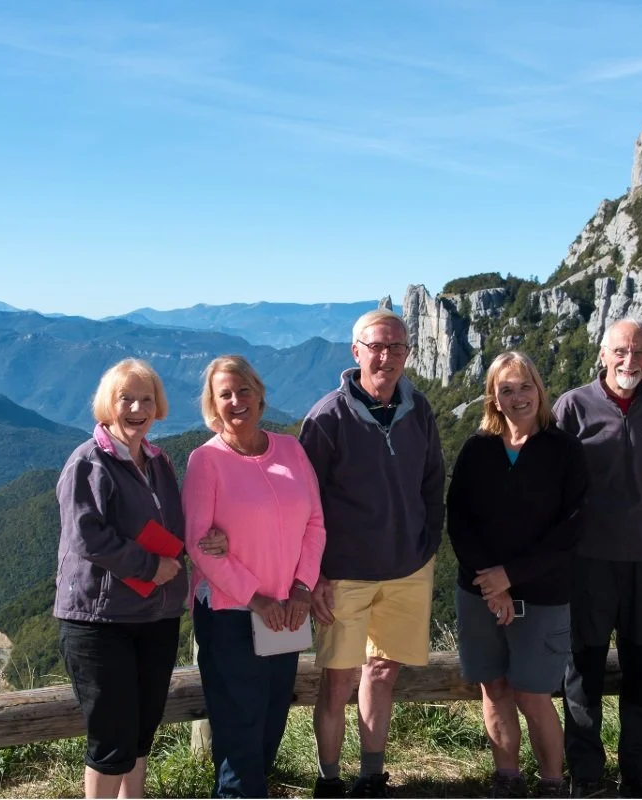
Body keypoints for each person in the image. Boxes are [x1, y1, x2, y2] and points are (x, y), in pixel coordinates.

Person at [54, 358, 226, 799]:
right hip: (100, 620)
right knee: (111, 739)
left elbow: (175, 523)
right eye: (125, 398)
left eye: (146, 399)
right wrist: (150, 566)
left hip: (156, 615)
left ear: (158, 406)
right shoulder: (88, 462)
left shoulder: (157, 461)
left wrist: (210, 536)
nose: (136, 407)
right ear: (108, 405)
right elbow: (86, 536)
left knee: (141, 731)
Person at [299, 308, 446, 798]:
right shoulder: (327, 417)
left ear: (408, 353)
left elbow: (432, 482)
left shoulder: (419, 409)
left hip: (407, 569)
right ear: (356, 351)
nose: (386, 356)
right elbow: (308, 502)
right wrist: (316, 573)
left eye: (397, 347)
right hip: (344, 574)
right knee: (338, 681)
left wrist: (427, 546)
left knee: (382, 672)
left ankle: (371, 776)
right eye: (377, 346)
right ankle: (329, 781)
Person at [182, 355, 327, 798]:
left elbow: (315, 524)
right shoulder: (205, 461)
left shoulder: (291, 449)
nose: (236, 401)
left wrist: (302, 588)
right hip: (232, 614)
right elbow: (197, 545)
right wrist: (256, 599)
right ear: (212, 405)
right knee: (239, 730)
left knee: (270, 721)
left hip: (287, 610)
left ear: (260, 395)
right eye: (224, 394)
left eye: (243, 391)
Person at [447, 351, 589, 798]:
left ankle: (551, 783)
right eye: (505, 389)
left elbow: (571, 529)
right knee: (494, 687)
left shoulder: (564, 450)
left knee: (533, 694)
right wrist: (489, 583)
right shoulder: (478, 449)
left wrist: (510, 576)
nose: (517, 396)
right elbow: (459, 519)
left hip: (543, 594)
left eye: (524, 386)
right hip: (478, 592)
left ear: (539, 390)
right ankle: (506, 778)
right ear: (493, 397)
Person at [553, 318, 642, 798]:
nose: (632, 361)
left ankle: (639, 775)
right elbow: (555, 479)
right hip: (587, 559)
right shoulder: (573, 407)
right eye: (622, 351)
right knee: (582, 668)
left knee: (639, 666)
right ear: (603, 354)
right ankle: (585, 774)